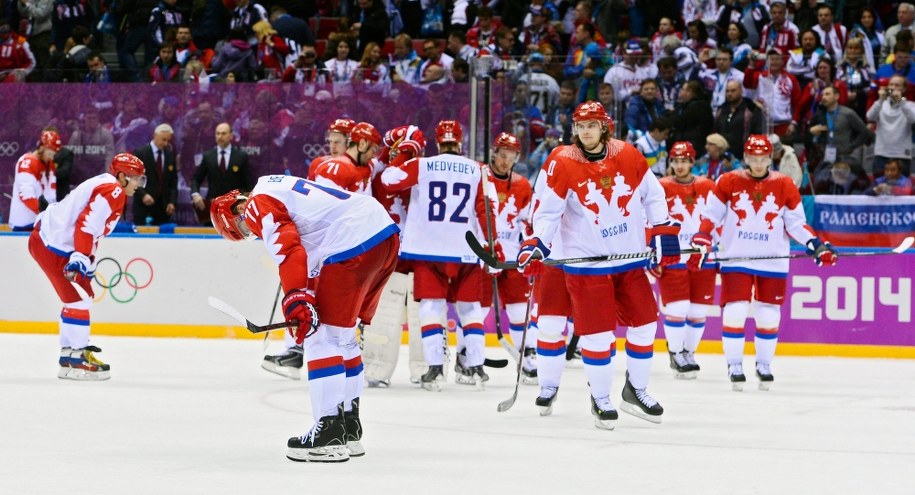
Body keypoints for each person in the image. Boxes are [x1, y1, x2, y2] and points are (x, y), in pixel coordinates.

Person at [209, 173, 399, 463]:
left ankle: (328, 433)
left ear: (236, 209)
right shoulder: (277, 189)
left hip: (352, 241)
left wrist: (296, 298)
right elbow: (308, 259)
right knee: (344, 338)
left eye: (242, 228)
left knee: (321, 339)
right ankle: (349, 426)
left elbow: (289, 250)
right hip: (383, 235)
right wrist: (302, 297)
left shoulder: (257, 205)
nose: (252, 231)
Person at [517, 101, 681, 429]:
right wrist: (538, 244)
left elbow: (653, 194)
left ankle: (636, 390)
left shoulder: (629, 154)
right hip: (586, 262)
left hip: (628, 258)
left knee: (646, 325)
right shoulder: (562, 161)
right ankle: (597, 397)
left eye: (592, 125)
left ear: (604, 127)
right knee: (596, 333)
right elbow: (547, 212)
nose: (586, 131)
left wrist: (663, 229)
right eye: (580, 126)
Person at [691, 135, 838, 391]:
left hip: (773, 259)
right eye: (753, 158)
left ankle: (764, 364)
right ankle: (734, 364)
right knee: (735, 310)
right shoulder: (728, 181)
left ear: (771, 158)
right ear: (746, 158)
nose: (758, 164)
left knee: (769, 314)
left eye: (763, 158)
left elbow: (795, 223)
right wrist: (702, 236)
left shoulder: (785, 184)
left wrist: (815, 244)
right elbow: (710, 214)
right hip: (737, 256)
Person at [379, 120, 498, 391]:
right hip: (467, 249)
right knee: (470, 309)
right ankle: (475, 366)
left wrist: (407, 152)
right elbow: (487, 209)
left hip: (427, 249)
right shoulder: (478, 169)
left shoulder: (422, 164)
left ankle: (434, 370)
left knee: (431, 307)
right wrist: (492, 246)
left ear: (436, 142)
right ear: (460, 142)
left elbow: (388, 181)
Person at [29, 153, 147, 380]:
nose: (138, 185)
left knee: (77, 297)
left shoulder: (106, 182)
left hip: (46, 241)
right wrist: (80, 258)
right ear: (122, 176)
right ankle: (77, 359)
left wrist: (86, 259)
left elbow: (90, 228)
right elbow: (86, 225)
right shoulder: (113, 191)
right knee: (80, 298)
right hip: (54, 247)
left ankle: (68, 355)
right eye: (135, 178)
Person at [656, 141, 716, 379]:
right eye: (675, 161)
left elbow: (717, 218)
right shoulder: (660, 186)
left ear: (693, 162)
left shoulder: (708, 187)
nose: (679, 166)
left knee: (699, 310)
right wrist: (653, 252)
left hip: (702, 254)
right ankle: (675, 353)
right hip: (673, 254)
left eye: (684, 161)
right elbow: (648, 219)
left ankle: (689, 353)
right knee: (678, 307)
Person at [479, 132, 536, 382]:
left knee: (519, 310)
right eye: (502, 155)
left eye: (510, 157)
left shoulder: (523, 185)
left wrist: (531, 246)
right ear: (494, 153)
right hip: (483, 254)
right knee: (476, 310)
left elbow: (529, 220)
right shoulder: (478, 177)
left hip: (512, 256)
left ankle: (529, 354)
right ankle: (467, 357)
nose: (505, 161)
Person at [191, 122, 254, 225]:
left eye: (223, 133)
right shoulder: (208, 156)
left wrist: (245, 203)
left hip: (234, 210)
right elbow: (196, 179)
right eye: (218, 133)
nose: (220, 136)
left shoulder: (241, 156)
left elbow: (248, 184)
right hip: (213, 208)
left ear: (231, 136)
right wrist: (195, 194)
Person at [10, 130, 61, 230]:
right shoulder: (27, 162)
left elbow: (51, 193)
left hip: (40, 222)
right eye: (50, 153)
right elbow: (26, 195)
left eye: (53, 155)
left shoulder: (48, 164)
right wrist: (46, 214)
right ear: (42, 148)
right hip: (24, 223)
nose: (51, 157)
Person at [866, 75, 915, 177]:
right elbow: (870, 116)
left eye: (897, 85)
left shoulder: (909, 105)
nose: (893, 88)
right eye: (891, 84)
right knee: (879, 187)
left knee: (902, 190)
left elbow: (913, 119)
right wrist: (880, 100)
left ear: (904, 89)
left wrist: (901, 101)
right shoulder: (881, 104)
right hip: (881, 153)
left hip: (902, 154)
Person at [132, 123, 177, 226]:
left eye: (167, 140)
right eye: (163, 139)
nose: (165, 143)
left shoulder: (170, 154)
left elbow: (173, 181)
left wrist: (171, 202)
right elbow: (134, 178)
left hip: (163, 208)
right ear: (155, 135)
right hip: (143, 206)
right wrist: (143, 195)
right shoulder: (141, 153)